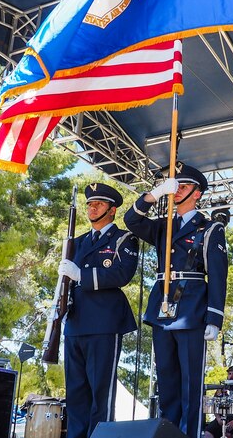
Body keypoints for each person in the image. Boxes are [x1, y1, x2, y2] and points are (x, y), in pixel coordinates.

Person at [123, 164, 227, 438]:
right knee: (167, 382)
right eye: (175, 186)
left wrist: (215, 317)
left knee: (191, 384)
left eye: (183, 186)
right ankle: (169, 433)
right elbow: (131, 220)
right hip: (163, 309)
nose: (176, 191)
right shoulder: (162, 227)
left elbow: (218, 275)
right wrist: (155, 194)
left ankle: (189, 434)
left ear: (197, 193)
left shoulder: (209, 228)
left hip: (192, 309)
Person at [57, 183, 139, 438]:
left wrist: (81, 274)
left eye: (99, 204)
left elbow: (122, 273)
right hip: (76, 323)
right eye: (90, 204)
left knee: (100, 394)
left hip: (104, 323)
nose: (92, 208)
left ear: (112, 210)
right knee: (76, 393)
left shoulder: (123, 239)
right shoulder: (77, 242)